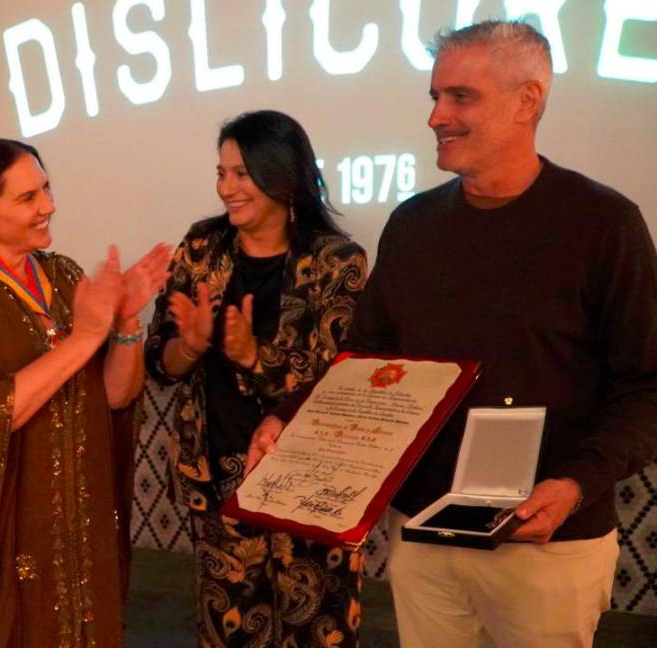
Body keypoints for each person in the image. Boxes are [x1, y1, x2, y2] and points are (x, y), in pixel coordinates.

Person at [249, 20, 657, 648]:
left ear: (528, 100)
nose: (437, 116)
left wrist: (576, 484)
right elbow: (367, 359)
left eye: (460, 96)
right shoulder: (412, 225)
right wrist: (291, 419)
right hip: (423, 534)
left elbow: (645, 387)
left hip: (545, 548)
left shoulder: (605, 224)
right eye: (434, 97)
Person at [0, 138, 171, 647]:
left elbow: (116, 397)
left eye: (46, 189)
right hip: (13, 520)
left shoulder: (63, 273)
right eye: (27, 197)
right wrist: (86, 337)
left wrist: (124, 325)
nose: (48, 205)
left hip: (83, 513)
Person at [144, 110, 368, 646]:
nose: (227, 188)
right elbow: (159, 361)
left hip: (314, 487)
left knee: (317, 631)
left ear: (283, 175)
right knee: (230, 633)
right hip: (221, 479)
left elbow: (337, 383)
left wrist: (252, 356)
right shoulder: (202, 248)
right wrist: (191, 346)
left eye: (241, 174)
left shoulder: (338, 262)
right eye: (221, 173)